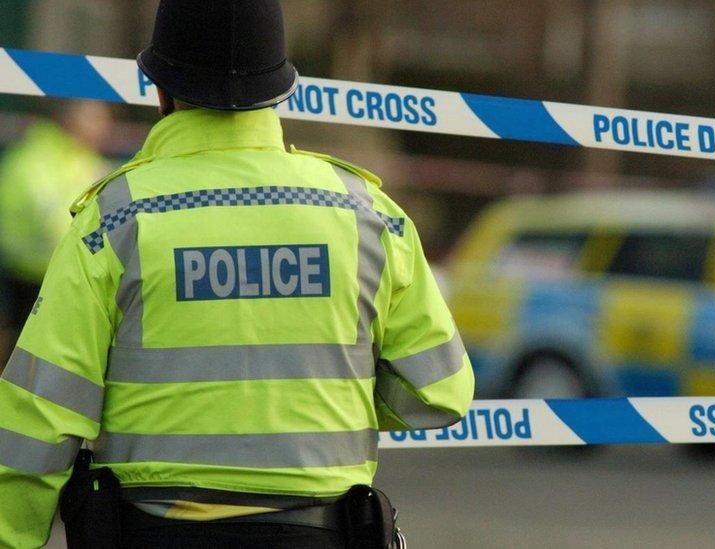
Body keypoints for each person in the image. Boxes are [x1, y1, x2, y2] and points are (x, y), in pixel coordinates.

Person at [0, 1, 474, 547]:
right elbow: (441, 392)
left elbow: (38, 418)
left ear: (160, 90)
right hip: (321, 534)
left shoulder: (113, 221)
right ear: (280, 91)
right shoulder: (368, 216)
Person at [0, 101, 112, 364]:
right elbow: (52, 222)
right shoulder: (41, 159)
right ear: (70, 122)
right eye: (95, 121)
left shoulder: (83, 160)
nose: (104, 129)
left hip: (45, 269)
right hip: (33, 272)